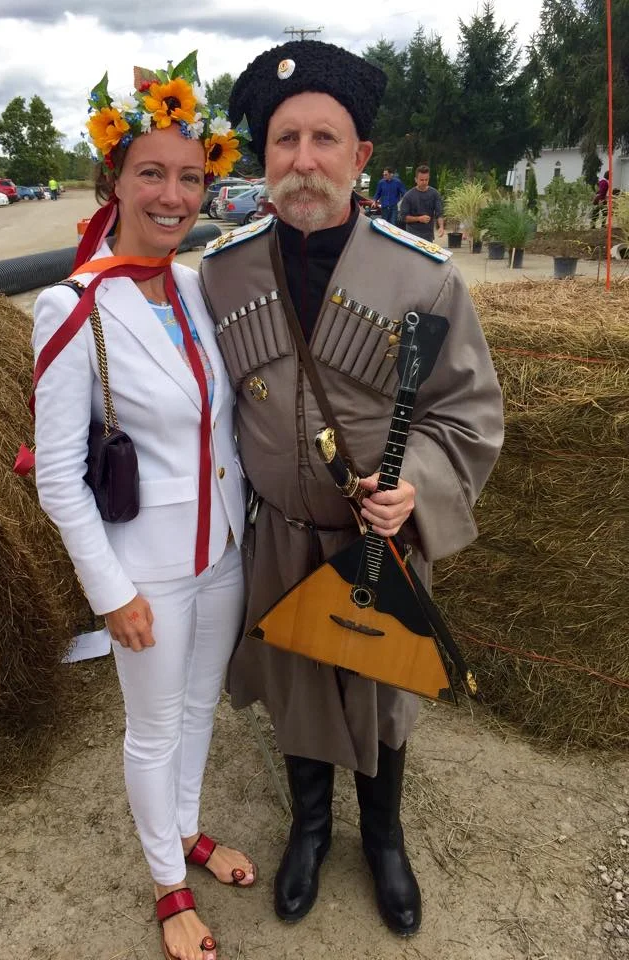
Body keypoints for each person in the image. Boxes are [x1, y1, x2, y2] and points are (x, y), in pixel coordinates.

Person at [199, 39, 503, 939]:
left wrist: (416, 485)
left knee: (381, 693)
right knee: (296, 689)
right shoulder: (223, 272)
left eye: (324, 138)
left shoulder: (424, 276)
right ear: (263, 156)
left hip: (379, 541)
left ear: (361, 154)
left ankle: (382, 838)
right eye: (285, 139)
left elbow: (470, 413)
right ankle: (309, 830)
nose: (304, 159)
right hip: (282, 537)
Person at [32, 54, 254, 960]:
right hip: (146, 569)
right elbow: (56, 474)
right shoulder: (72, 305)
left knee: (200, 709)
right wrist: (110, 592)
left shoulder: (198, 288)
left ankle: (187, 830)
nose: (173, 195)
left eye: (190, 177)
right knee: (155, 728)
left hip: (225, 551)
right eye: (152, 173)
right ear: (115, 180)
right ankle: (168, 885)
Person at [400, 165, 445, 241]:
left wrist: (441, 227)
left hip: (428, 235)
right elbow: (403, 217)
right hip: (412, 235)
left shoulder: (435, 194)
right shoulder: (408, 196)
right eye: (421, 180)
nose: (424, 182)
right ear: (416, 180)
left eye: (426, 180)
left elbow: (439, 213)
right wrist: (419, 219)